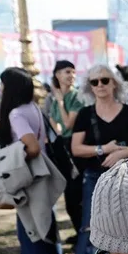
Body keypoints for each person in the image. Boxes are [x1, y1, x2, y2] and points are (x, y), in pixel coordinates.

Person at [69, 64, 128, 254]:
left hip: (125, 177)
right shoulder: (85, 114)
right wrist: (104, 149)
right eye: (94, 82)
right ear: (89, 87)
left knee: (124, 227)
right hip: (94, 178)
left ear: (114, 83)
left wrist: (123, 152)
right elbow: (76, 148)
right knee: (90, 228)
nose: (100, 85)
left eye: (104, 80)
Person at [0, 67, 67, 254]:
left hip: (28, 177)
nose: (1, 89)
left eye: (3, 84)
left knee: (30, 231)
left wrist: (13, 162)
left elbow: (32, 146)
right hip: (42, 175)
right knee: (46, 225)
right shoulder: (33, 107)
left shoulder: (16, 113)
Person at [46, 60, 84, 242]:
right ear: (57, 75)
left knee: (75, 195)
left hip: (76, 147)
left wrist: (61, 103)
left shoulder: (76, 97)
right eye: (67, 72)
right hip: (62, 147)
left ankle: (84, 236)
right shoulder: (55, 98)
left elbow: (68, 123)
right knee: (69, 196)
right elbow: (55, 125)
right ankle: (79, 233)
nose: (71, 76)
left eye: (73, 72)